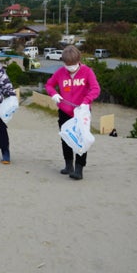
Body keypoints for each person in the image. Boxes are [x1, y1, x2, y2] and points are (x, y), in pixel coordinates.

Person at [45, 45, 101, 180]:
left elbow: (95, 89)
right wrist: (53, 94)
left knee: (82, 139)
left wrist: (86, 101)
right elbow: (49, 85)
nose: (70, 67)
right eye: (67, 64)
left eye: (73, 64)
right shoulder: (60, 72)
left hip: (81, 112)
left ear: (78, 61)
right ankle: (68, 165)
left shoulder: (87, 71)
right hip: (64, 111)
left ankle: (79, 168)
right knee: (66, 138)